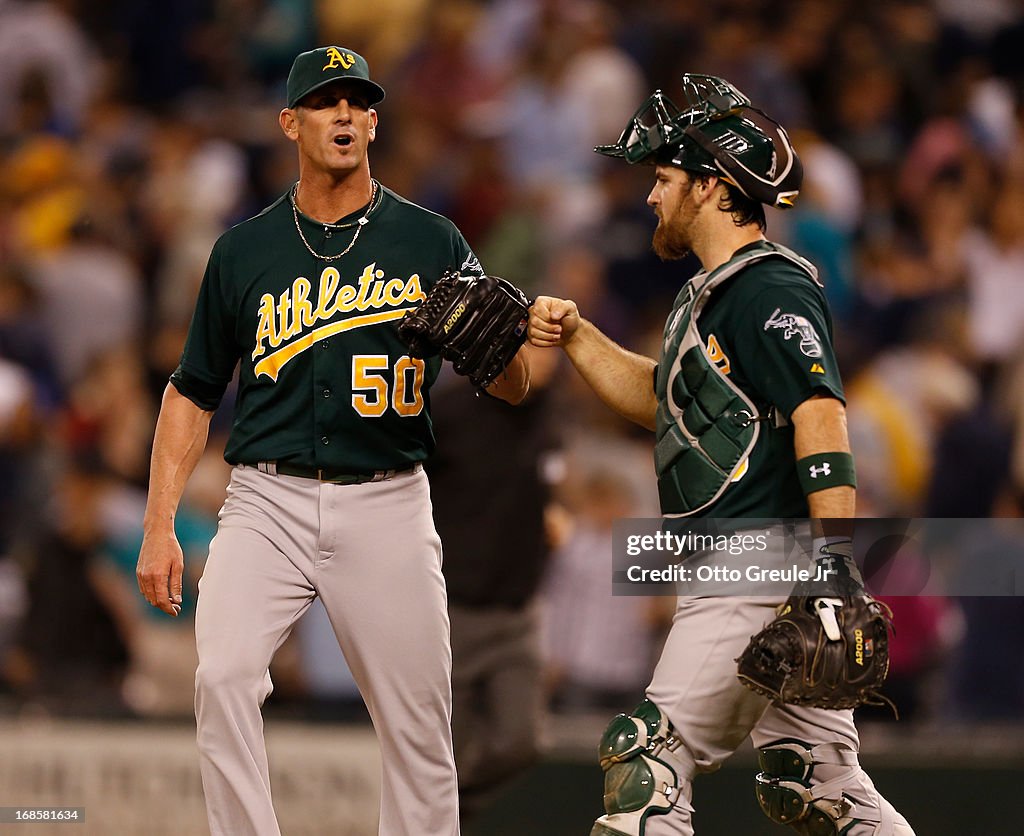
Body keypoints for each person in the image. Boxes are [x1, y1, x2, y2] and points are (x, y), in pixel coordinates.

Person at [135, 45, 529, 836]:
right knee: (223, 676)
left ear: (375, 122)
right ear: (290, 123)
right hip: (265, 500)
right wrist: (159, 523)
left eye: (357, 102)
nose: (344, 113)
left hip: (387, 501)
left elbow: (513, 384)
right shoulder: (244, 251)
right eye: (324, 101)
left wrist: (502, 348)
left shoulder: (432, 240)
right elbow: (192, 391)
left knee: (420, 724)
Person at [528, 74, 914, 836]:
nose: (651, 196)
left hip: (754, 561)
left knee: (650, 758)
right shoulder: (712, 294)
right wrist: (578, 337)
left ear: (711, 187)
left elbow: (822, 416)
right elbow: (665, 402)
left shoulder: (767, 287)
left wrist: (834, 560)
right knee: (819, 784)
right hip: (748, 561)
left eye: (666, 179)